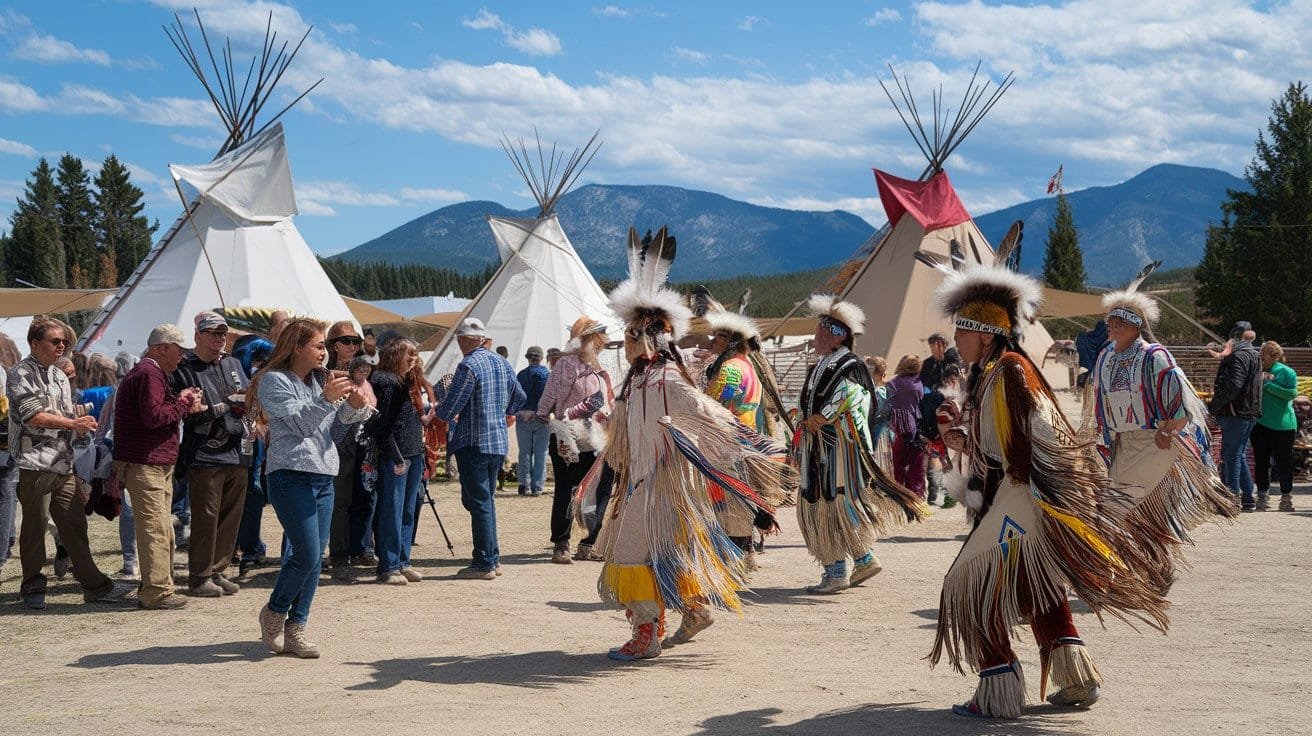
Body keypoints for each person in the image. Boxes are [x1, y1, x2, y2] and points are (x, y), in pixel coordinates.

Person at [931, 264, 1169, 718]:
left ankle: (998, 688)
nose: (956, 339)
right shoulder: (992, 372)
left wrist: (1036, 481)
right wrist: (967, 440)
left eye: (962, 330)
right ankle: (1075, 678)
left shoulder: (1011, 369)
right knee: (1035, 586)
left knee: (966, 582)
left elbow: (1042, 429)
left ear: (985, 333)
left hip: (1020, 498)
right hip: (1009, 495)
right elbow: (1006, 435)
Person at [584, 227, 787, 660]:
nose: (628, 344)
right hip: (642, 482)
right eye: (627, 336)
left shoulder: (668, 380)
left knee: (632, 552)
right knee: (665, 552)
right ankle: (692, 609)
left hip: (665, 484)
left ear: (655, 338)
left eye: (635, 336)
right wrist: (610, 431)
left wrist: (756, 445)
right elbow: (625, 435)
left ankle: (647, 634)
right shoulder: (635, 382)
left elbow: (711, 414)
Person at [1089, 288, 1237, 592]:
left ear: (1135, 326)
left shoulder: (1154, 356)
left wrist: (1169, 429)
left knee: (1121, 510)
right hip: (1122, 444)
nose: (1112, 328)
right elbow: (1099, 399)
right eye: (1110, 322)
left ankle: (1133, 575)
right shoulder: (1105, 356)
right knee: (1123, 512)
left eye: (1118, 323)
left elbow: (1178, 401)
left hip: (1155, 443)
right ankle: (1147, 571)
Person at [251, 318, 371, 658]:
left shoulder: (323, 380)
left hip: (323, 474)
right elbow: (301, 425)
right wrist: (328, 399)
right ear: (297, 347)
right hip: (289, 474)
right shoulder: (273, 381)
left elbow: (335, 429)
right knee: (304, 553)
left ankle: (296, 629)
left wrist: (354, 409)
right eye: (319, 345)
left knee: (315, 557)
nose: (325, 351)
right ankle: (274, 612)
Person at [794, 296, 924, 595]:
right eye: (817, 332)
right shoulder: (825, 363)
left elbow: (852, 396)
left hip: (837, 449)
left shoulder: (849, 364)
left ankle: (838, 571)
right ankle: (861, 559)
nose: (816, 337)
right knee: (824, 503)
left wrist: (822, 417)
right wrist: (803, 418)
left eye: (821, 333)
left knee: (832, 502)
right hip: (819, 448)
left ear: (836, 336)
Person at [8, 315, 129, 610]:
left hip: (63, 463)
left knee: (74, 524)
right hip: (34, 464)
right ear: (35, 343)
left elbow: (62, 412)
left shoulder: (60, 376)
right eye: (55, 341)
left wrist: (80, 417)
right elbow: (32, 416)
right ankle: (33, 586)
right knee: (34, 528)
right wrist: (72, 423)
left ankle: (95, 586)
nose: (62, 346)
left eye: (63, 341)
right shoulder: (20, 373)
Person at [114, 324, 207, 609]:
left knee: (160, 526)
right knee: (155, 528)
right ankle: (156, 591)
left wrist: (180, 404)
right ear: (161, 347)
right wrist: (184, 404)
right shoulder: (149, 373)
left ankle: (158, 586)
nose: (182, 355)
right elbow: (154, 416)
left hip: (153, 461)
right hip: (147, 462)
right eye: (179, 349)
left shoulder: (150, 373)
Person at [700, 308, 792, 571]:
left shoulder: (729, 370)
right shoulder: (748, 366)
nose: (711, 341)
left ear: (729, 340)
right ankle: (744, 555)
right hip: (744, 441)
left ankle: (735, 562)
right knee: (739, 498)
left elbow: (711, 405)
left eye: (716, 336)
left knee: (729, 502)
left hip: (728, 443)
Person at [435, 318, 526, 580]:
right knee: (486, 501)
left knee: (478, 502)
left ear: (464, 340)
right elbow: (519, 396)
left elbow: (453, 404)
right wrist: (503, 413)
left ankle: (484, 561)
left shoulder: (469, 364)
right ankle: (492, 558)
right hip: (497, 441)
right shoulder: (501, 362)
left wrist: (438, 411)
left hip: (473, 441)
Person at [171, 311, 251, 597]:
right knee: (206, 517)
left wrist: (242, 404)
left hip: (238, 450)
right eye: (212, 333)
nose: (218, 338)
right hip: (204, 452)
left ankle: (218, 570)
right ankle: (199, 575)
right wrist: (217, 408)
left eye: (222, 333)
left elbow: (247, 395)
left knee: (231, 516)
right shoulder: (185, 368)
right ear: (198, 335)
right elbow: (185, 411)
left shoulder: (233, 363)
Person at [537, 317, 612, 564]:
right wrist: (543, 414)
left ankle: (588, 543)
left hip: (597, 438)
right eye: (598, 339)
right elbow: (551, 395)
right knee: (567, 490)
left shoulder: (598, 368)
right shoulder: (567, 364)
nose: (602, 343)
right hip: (569, 437)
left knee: (600, 490)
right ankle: (561, 542)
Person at [368, 338, 427, 585]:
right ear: (395, 354)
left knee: (407, 510)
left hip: (413, 451)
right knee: (392, 509)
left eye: (416, 354)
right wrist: (394, 454)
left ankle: (403, 561)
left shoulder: (404, 381)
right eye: (409, 354)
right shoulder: (386, 381)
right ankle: (389, 565)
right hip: (397, 454)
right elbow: (382, 424)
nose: (413, 358)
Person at [231, 336, 275, 574]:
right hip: (249, 446)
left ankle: (238, 546)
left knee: (241, 495)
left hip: (238, 447)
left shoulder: (231, 373)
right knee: (251, 495)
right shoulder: (261, 379)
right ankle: (248, 548)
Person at [1209, 321, 1263, 510]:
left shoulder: (1239, 355)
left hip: (1236, 412)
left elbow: (1234, 386)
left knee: (1231, 456)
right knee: (1237, 455)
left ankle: (1232, 500)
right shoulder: (1253, 354)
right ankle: (1247, 498)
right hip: (1247, 412)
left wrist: (1213, 407)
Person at [1252, 341, 1297, 512]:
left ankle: (1286, 497)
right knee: (1261, 462)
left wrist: (1269, 386)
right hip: (1261, 424)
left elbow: (1292, 393)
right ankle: (1262, 496)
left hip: (1283, 425)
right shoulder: (1257, 372)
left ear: (1274, 355)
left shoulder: (1287, 372)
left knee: (1284, 462)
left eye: (1264, 354)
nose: (1261, 358)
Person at [515, 346, 551, 497]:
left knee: (524, 452)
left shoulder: (520, 375)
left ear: (527, 357)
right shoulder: (546, 375)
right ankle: (537, 486)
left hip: (523, 415)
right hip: (541, 416)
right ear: (541, 358)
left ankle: (525, 484)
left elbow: (516, 395)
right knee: (541, 453)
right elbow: (549, 396)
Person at [888, 355, 926, 499]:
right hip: (913, 426)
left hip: (895, 427)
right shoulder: (918, 383)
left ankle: (898, 494)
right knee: (916, 464)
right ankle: (915, 495)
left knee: (897, 464)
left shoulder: (892, 382)